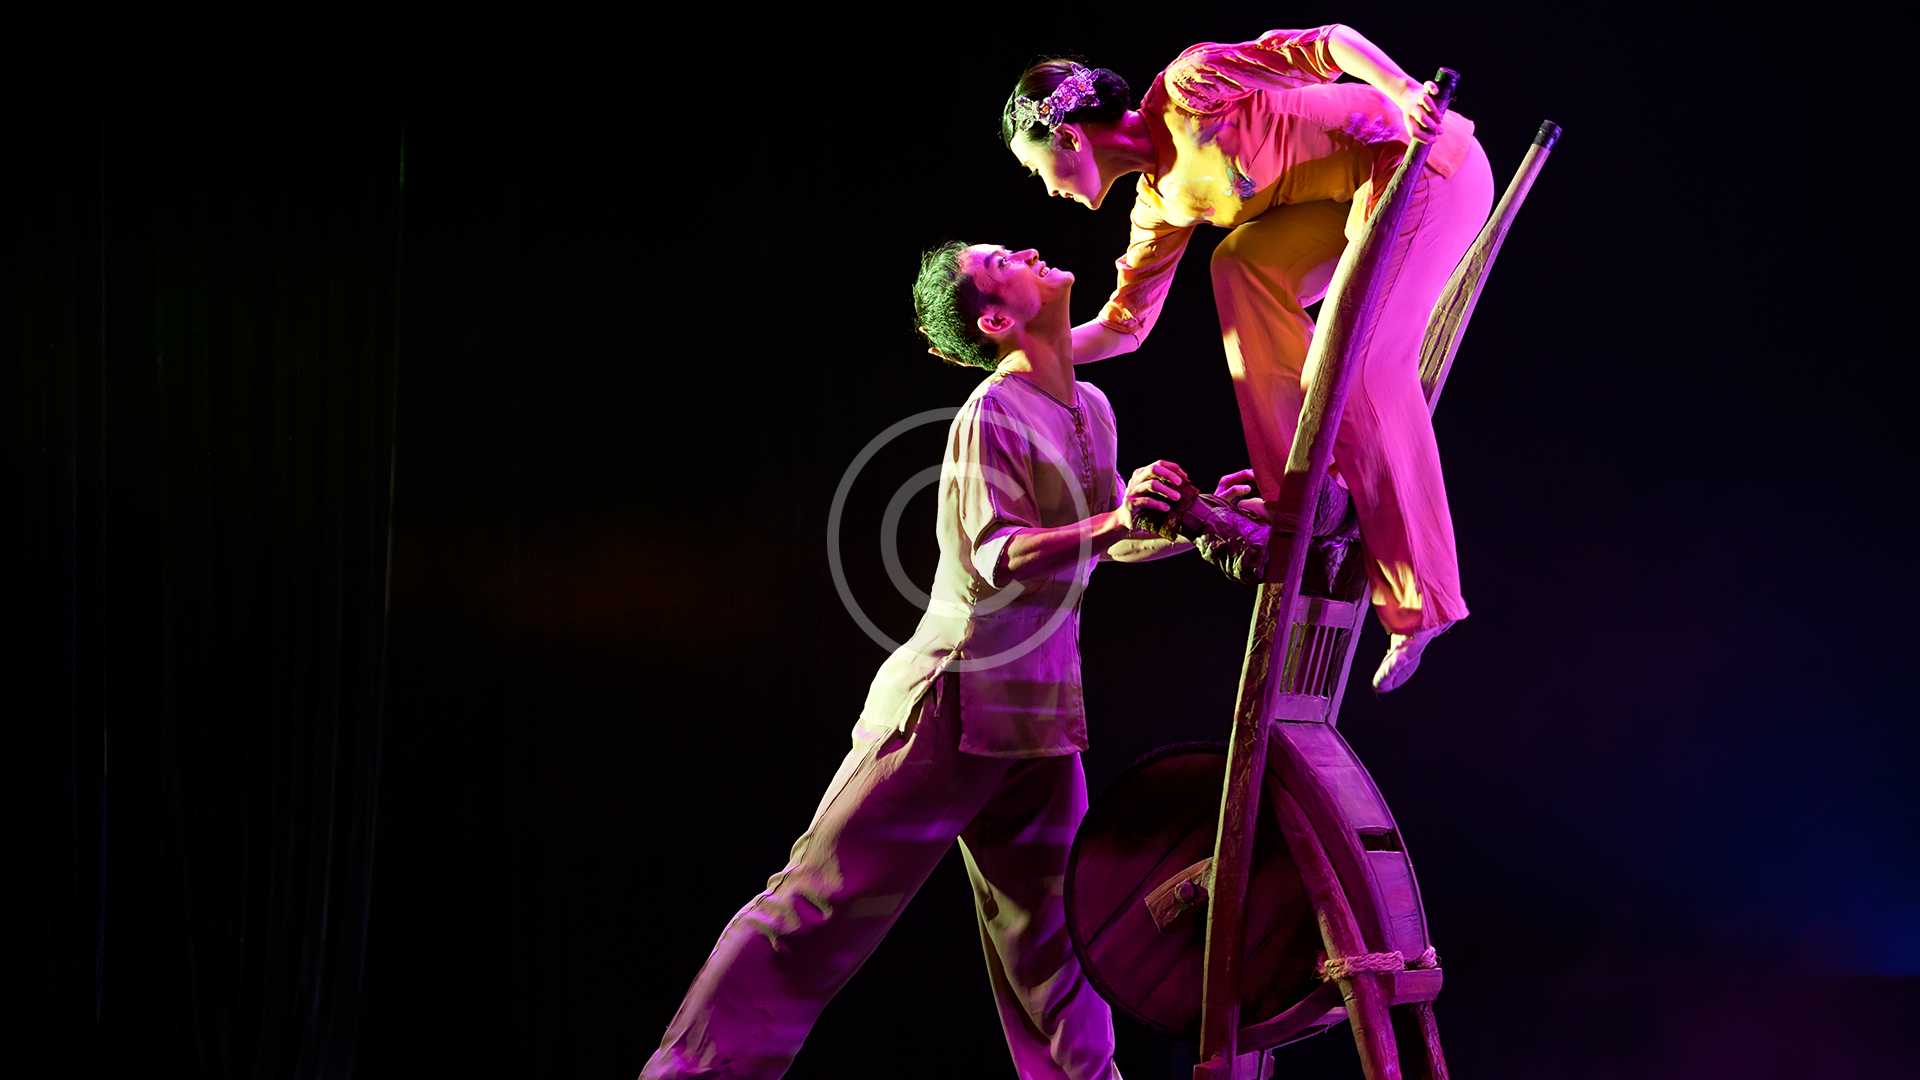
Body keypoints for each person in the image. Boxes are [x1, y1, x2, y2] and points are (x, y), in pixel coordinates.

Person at [641, 242, 1229, 1080]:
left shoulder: (1090, 406)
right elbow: (1000, 555)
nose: (1028, 250)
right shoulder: (992, 413)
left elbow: (1107, 541)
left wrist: (1190, 521)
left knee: (1058, 944)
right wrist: (1115, 520)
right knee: (815, 910)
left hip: (1037, 716)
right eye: (1003, 261)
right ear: (996, 320)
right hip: (952, 702)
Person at [1001, 24, 1496, 692]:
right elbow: (1124, 326)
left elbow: (1326, 44)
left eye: (1035, 170)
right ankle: (1302, 492)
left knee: (1354, 371)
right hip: (1354, 204)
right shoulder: (1158, 204)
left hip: (1421, 167)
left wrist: (1404, 91)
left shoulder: (1189, 88)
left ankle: (1422, 602)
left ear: (1068, 139)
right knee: (1238, 263)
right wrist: (1027, 353)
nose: (1046, 189)